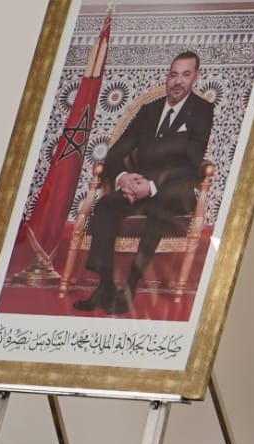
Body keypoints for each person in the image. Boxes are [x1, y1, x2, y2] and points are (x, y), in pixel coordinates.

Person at [74, 50, 215, 315]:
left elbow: (191, 161)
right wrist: (124, 178)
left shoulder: (202, 110)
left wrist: (151, 187)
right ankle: (105, 285)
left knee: (159, 206)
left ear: (195, 77)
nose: (177, 81)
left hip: (174, 191)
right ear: (167, 77)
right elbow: (115, 153)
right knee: (105, 206)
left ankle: (129, 286)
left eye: (185, 75)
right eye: (173, 74)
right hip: (136, 189)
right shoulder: (149, 111)